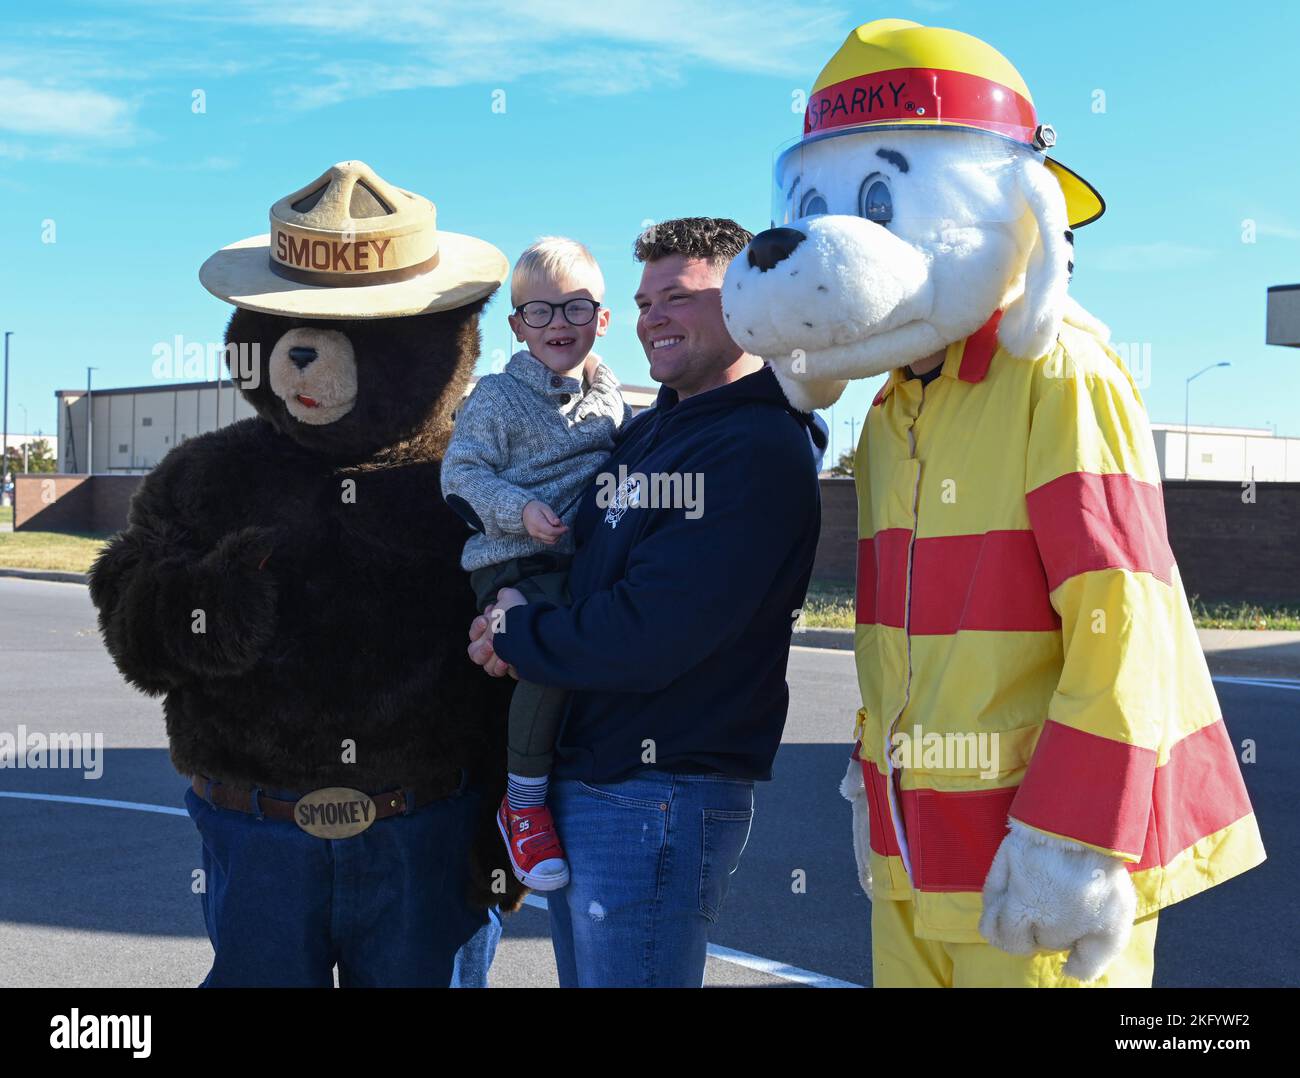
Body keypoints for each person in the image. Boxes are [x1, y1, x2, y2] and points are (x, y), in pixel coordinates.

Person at [468, 217, 825, 987]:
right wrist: (501, 616)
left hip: (657, 796)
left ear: (743, 306)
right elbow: (581, 573)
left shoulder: (753, 447)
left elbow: (652, 631)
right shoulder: (647, 432)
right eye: (642, 301)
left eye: (679, 297)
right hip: (596, 782)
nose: (652, 317)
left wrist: (522, 636)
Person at [442, 236, 631, 891]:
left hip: (581, 563)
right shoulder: (495, 397)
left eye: (576, 308)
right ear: (518, 325)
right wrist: (520, 511)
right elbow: (460, 474)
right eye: (540, 312)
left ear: (602, 319)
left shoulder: (613, 402)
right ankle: (522, 802)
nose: (559, 325)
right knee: (550, 644)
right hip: (513, 563)